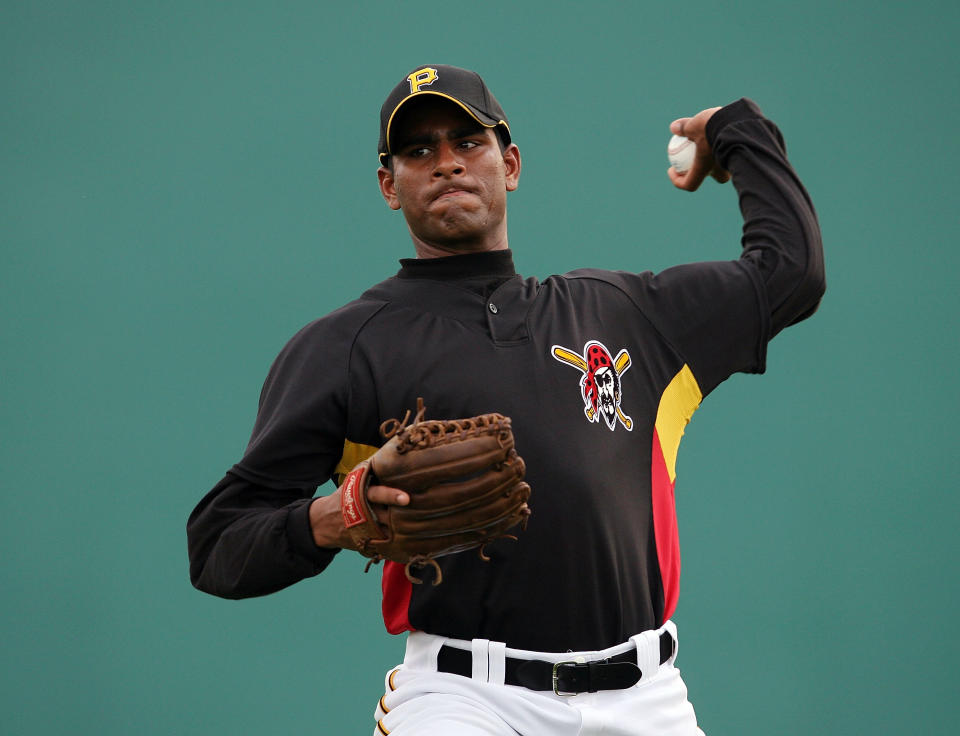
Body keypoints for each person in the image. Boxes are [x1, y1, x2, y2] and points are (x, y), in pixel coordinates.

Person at [187, 64, 825, 735]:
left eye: (468, 142)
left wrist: (736, 131)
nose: (446, 164)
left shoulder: (627, 315)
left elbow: (791, 273)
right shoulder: (345, 348)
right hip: (465, 700)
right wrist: (336, 518)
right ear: (389, 186)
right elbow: (217, 544)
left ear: (510, 164)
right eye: (418, 150)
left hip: (647, 698)